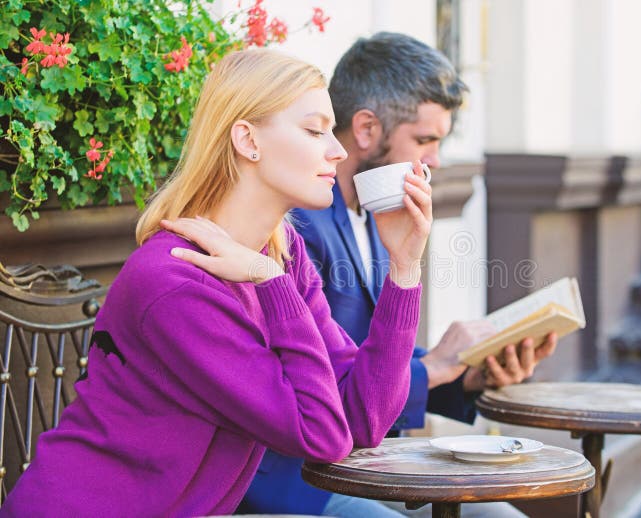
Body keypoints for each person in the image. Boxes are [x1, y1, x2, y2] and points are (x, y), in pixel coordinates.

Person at [1, 48, 433, 517]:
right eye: (314, 130)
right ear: (247, 140)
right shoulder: (176, 279)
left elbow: (365, 418)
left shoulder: (279, 253)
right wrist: (273, 284)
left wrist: (404, 268)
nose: (339, 150)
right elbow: (323, 434)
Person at [240, 32, 558, 518]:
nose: (435, 160)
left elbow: (370, 352)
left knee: (498, 514)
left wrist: (467, 376)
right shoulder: (298, 226)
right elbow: (320, 376)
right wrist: (433, 368)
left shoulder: (374, 214)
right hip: (299, 478)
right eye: (426, 139)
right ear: (366, 129)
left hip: (364, 461)